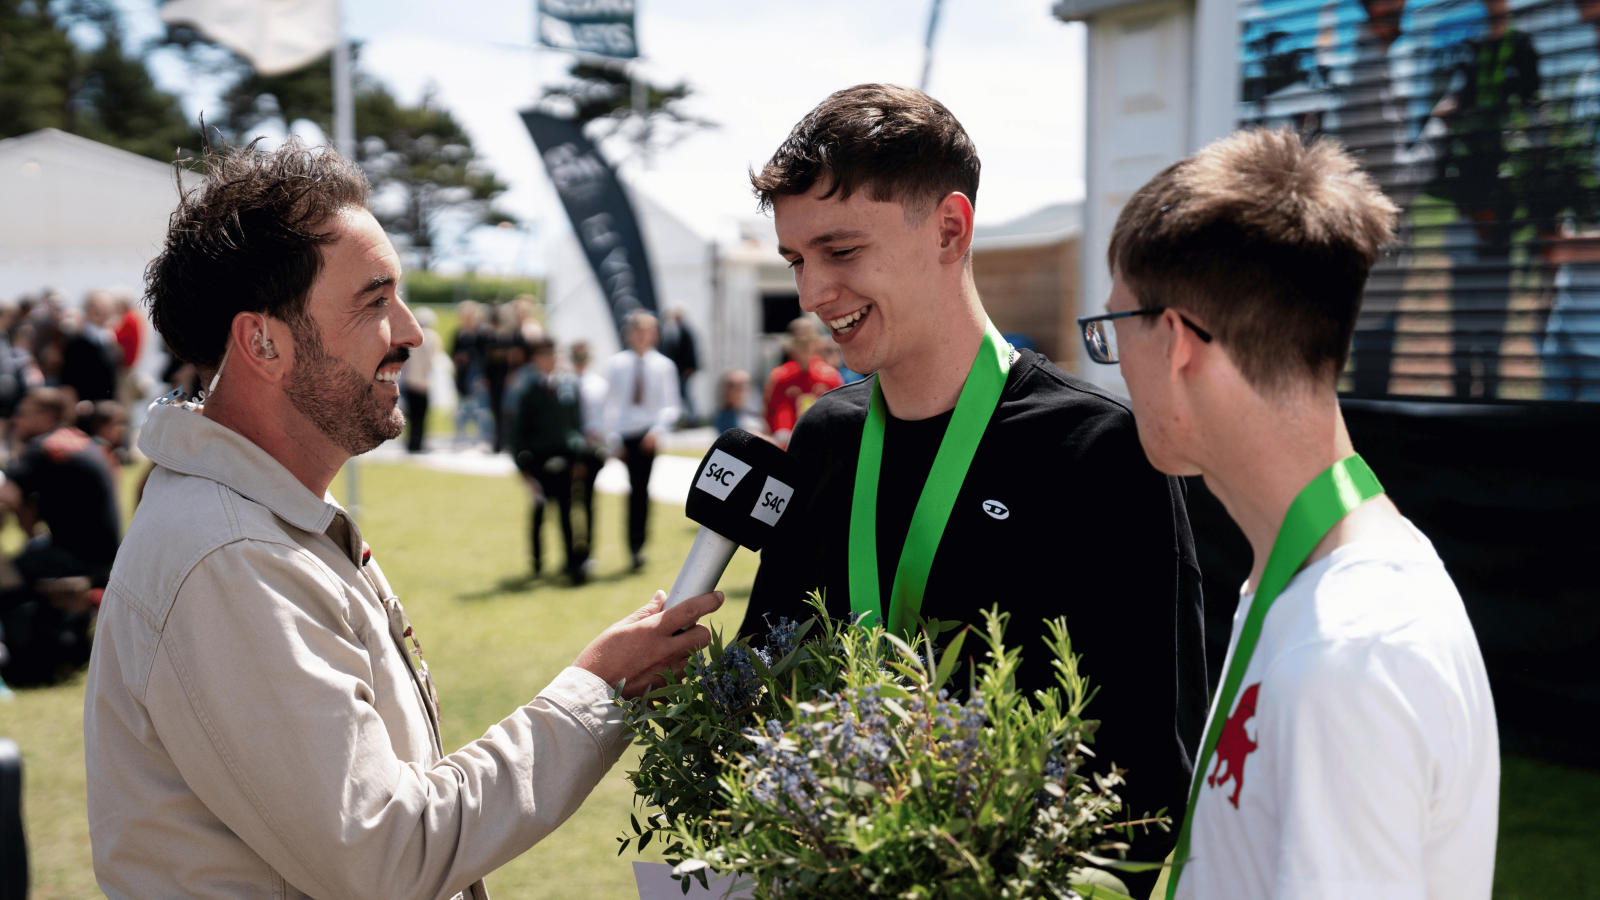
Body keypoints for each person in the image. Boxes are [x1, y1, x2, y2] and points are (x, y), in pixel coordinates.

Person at [83, 139, 722, 899]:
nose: (414, 333)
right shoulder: (231, 553)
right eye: (374, 301)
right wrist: (598, 690)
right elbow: (384, 853)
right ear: (262, 341)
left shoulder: (262, 519)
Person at [735, 84, 1205, 893]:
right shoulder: (824, 438)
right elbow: (763, 693)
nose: (812, 293)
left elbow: (1150, 770)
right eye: (796, 260)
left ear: (950, 228)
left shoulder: (1100, 451)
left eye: (841, 252)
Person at [1091, 128, 1498, 899]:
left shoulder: (1351, 648)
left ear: (1176, 341)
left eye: (1115, 331)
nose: (1115, 372)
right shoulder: (1305, 589)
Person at [603, 311, 679, 571]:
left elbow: (671, 405)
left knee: (641, 491)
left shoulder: (663, 366)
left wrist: (656, 431)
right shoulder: (616, 365)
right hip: (624, 434)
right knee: (628, 491)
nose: (643, 337)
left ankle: (638, 547)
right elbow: (609, 404)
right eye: (638, 331)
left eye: (648, 331)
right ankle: (628, 544)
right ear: (629, 334)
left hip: (647, 434)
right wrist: (613, 439)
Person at [512, 337, 587, 582]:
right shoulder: (526, 390)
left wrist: (578, 458)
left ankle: (572, 564)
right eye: (544, 355)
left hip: (564, 459)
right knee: (539, 513)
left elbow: (576, 425)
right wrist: (523, 467)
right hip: (538, 461)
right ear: (535, 359)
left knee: (568, 513)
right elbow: (516, 432)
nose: (550, 360)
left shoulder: (567, 385)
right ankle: (537, 565)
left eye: (553, 354)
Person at [762, 317, 842, 447]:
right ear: (790, 344)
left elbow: (840, 413)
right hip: (786, 449)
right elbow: (767, 413)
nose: (805, 346)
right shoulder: (779, 376)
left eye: (810, 341)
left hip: (821, 447)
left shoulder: (830, 376)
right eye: (800, 341)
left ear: (818, 343)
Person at [570, 341, 607, 573]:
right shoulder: (564, 382)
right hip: (571, 451)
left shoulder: (599, 385)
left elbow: (604, 417)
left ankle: (588, 550)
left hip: (591, 450)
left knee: (589, 502)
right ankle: (573, 551)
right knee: (570, 504)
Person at [400, 305, 442, 453]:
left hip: (409, 382)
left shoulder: (410, 336)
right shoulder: (431, 337)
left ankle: (412, 443)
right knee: (421, 416)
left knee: (411, 416)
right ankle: (418, 443)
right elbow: (431, 362)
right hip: (423, 383)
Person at [659, 307, 700, 421]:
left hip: (684, 370)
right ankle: (686, 418)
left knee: (685, 394)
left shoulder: (685, 331)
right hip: (678, 370)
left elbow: (690, 351)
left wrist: (690, 367)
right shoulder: (673, 331)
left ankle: (692, 419)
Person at [713, 368, 766, 435]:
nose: (744, 391)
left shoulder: (752, 411)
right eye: (739, 388)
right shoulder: (726, 418)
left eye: (747, 386)